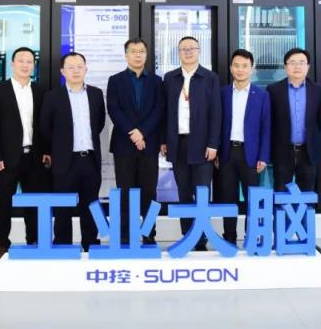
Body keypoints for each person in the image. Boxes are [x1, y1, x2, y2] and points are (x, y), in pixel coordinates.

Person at [0, 46, 49, 266]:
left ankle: (34, 242)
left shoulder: (40, 91)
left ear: (33, 65)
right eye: (21, 60)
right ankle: (2, 245)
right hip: (7, 158)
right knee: (4, 203)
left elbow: (44, 126)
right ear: (12, 64)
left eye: (29, 61)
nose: (25, 65)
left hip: (35, 157)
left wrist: (47, 151)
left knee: (34, 202)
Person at [40, 52, 106, 251]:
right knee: (63, 206)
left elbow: (99, 123)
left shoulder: (96, 94)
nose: (76, 70)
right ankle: (63, 244)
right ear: (62, 71)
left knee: (91, 204)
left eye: (79, 66)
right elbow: (45, 128)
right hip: (64, 160)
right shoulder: (53, 97)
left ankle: (90, 243)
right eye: (71, 67)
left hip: (90, 158)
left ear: (86, 69)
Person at [162, 36, 221, 251]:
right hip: (178, 144)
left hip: (203, 145)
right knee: (184, 193)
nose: (188, 52)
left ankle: (202, 239)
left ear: (199, 51)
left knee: (202, 193)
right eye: (183, 49)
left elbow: (216, 113)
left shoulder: (210, 78)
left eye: (192, 48)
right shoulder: (170, 78)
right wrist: (163, 140)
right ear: (178, 53)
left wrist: (213, 144)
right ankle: (187, 236)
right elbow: (164, 111)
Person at [106, 38, 164, 245]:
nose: (138, 55)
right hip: (124, 144)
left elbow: (159, 109)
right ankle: (124, 234)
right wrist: (133, 133)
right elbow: (114, 109)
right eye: (133, 51)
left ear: (146, 55)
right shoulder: (115, 80)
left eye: (141, 51)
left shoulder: (156, 81)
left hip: (149, 144)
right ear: (126, 55)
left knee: (150, 192)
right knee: (125, 191)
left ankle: (149, 234)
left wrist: (143, 133)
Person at [216, 49, 271, 244]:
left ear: (251, 69)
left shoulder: (261, 95)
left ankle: (252, 236)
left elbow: (266, 127)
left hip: (252, 154)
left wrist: (263, 156)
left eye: (245, 66)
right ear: (231, 68)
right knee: (228, 198)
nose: (240, 70)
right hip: (227, 153)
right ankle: (229, 238)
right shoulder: (222, 93)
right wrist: (216, 151)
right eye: (237, 65)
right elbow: (216, 124)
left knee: (252, 198)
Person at [267, 48, 321, 194]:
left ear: (308, 66)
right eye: (292, 63)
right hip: (282, 152)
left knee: (306, 195)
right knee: (280, 194)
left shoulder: (317, 91)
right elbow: (270, 122)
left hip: (308, 152)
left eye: (301, 63)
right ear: (285, 66)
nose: (297, 66)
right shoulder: (273, 90)